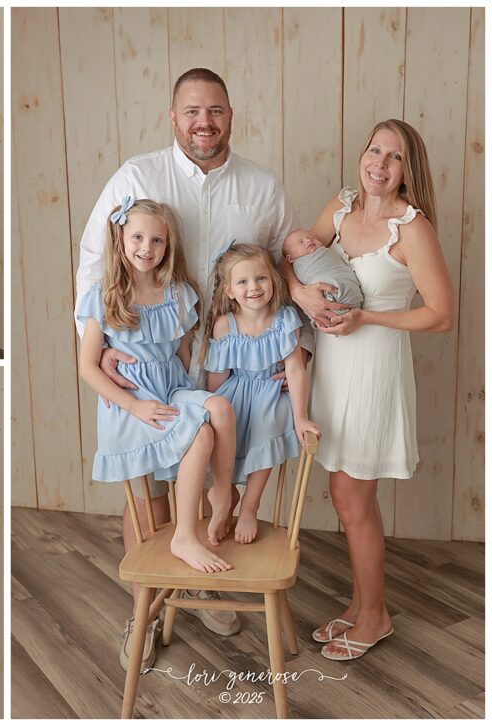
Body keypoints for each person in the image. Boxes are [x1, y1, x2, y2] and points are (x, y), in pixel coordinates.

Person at [74, 67, 304, 642]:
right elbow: (95, 264)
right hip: (150, 361)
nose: (205, 123)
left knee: (211, 477)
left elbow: (286, 268)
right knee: (151, 491)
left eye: (216, 111)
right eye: (193, 112)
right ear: (173, 117)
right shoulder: (137, 176)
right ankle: (146, 611)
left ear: (231, 115)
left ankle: (202, 586)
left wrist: (299, 347)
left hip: (231, 365)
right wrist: (100, 346)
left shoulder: (262, 186)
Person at [289, 119, 454, 661]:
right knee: (346, 496)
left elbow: (441, 315)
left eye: (395, 156)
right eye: (374, 149)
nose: (380, 162)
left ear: (409, 171)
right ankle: (362, 607)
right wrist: (303, 296)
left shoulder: (412, 229)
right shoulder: (338, 210)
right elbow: (295, 264)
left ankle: (375, 615)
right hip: (332, 368)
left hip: (374, 368)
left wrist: (369, 319)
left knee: (350, 496)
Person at [75, 198, 237, 668]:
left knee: (217, 412)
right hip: (133, 406)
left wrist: (199, 396)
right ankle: (148, 603)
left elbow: (187, 357)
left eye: (157, 240)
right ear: (121, 241)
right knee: (158, 488)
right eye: (137, 238)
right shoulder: (104, 295)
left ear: (168, 246)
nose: (146, 248)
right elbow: (88, 366)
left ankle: (203, 524)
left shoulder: (178, 293)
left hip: (172, 391)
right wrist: (134, 405)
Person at [202, 244, 320, 544]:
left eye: (261, 278)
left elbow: (294, 369)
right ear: (229, 290)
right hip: (236, 390)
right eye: (242, 282)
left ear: (273, 280)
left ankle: (250, 507)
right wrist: (208, 409)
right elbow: (217, 378)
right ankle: (225, 494)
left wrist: (302, 416)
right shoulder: (224, 325)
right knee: (220, 425)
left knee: (270, 423)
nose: (253, 288)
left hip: (271, 390)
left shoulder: (284, 320)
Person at [282, 229, 364, 317]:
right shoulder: (300, 264)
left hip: (347, 284)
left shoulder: (325, 252)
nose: (308, 240)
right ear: (290, 259)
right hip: (327, 293)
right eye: (301, 242)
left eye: (311, 238)